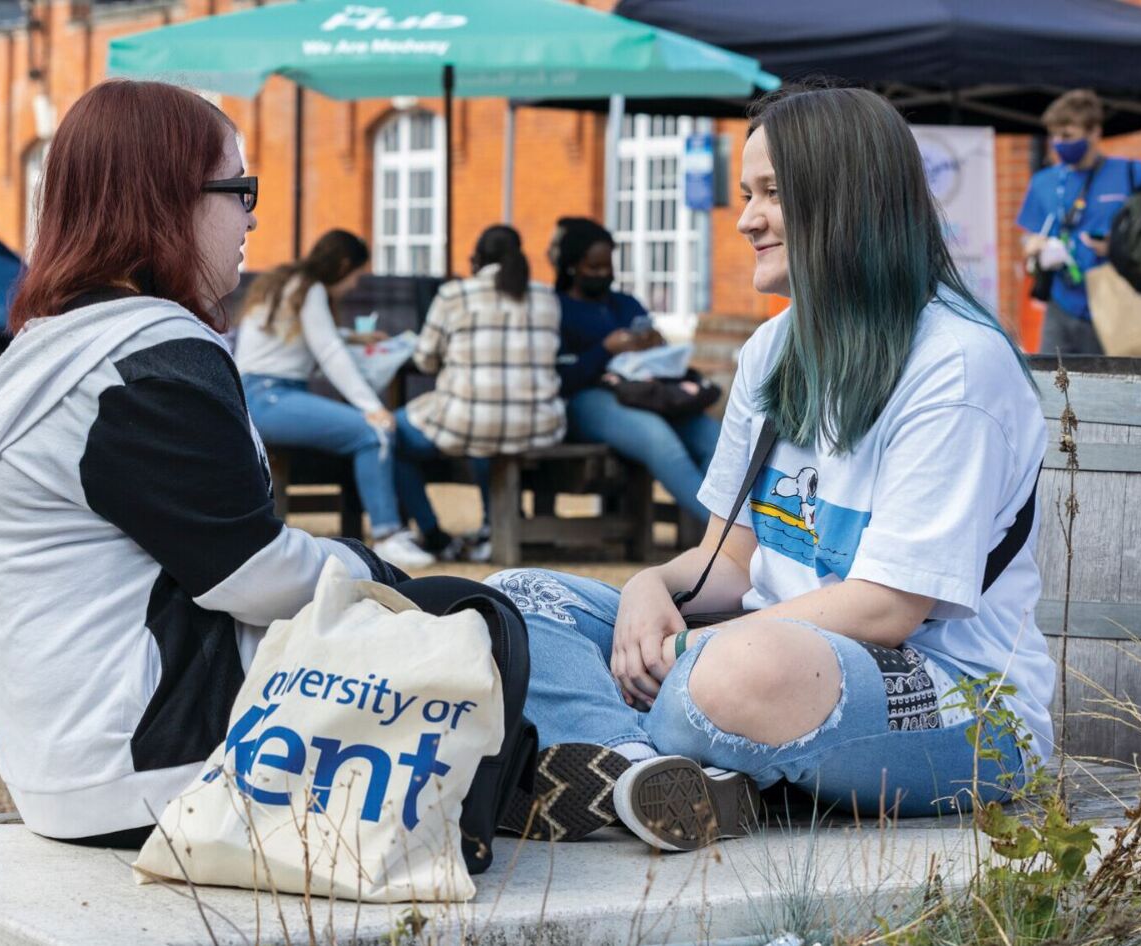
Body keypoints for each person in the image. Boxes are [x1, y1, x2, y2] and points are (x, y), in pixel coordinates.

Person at [487, 87, 1054, 854]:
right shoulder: (773, 351)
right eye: (746, 194)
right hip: (760, 655)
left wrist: (695, 651)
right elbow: (732, 558)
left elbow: (888, 610)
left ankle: (609, 747)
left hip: (957, 705)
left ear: (849, 199)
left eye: (773, 195)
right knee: (510, 603)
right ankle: (644, 776)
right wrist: (650, 591)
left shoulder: (955, 366)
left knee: (730, 676)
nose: (747, 218)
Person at [0, 80, 427, 848]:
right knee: (483, 615)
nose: (251, 214)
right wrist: (378, 574)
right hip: (157, 772)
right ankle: (597, 773)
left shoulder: (55, 344)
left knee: (465, 615)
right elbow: (251, 575)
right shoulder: (149, 359)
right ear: (167, 198)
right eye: (238, 188)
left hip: (68, 771)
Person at [235, 230, 432, 569]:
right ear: (342, 265)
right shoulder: (308, 288)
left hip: (258, 396)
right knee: (375, 433)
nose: (355, 285)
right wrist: (372, 408)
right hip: (272, 396)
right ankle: (387, 535)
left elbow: (312, 335)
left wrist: (354, 336)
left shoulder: (286, 282)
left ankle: (388, 533)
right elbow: (329, 352)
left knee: (368, 433)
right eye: (356, 275)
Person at [393, 224, 566, 562]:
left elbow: (425, 360)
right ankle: (490, 527)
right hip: (539, 425)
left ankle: (433, 534)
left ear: (476, 260)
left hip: (469, 420)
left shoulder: (454, 295)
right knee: (491, 429)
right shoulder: (546, 296)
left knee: (391, 435)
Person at [553, 218, 720, 528]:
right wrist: (606, 349)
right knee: (661, 441)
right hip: (587, 399)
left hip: (648, 392)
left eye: (608, 266)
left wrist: (654, 343)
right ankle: (723, 536)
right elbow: (561, 379)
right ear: (572, 266)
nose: (604, 274)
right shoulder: (558, 308)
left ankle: (727, 526)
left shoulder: (626, 303)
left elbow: (659, 351)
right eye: (594, 267)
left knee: (715, 439)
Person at [1017, 88, 1141, 356]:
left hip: (1117, 301)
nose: (1058, 143)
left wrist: (1118, 246)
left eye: (1067, 135)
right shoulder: (1044, 182)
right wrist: (1034, 245)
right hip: (1061, 302)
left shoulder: (1131, 173)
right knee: (1054, 386)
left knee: (1113, 388)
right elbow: (1027, 235)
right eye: (1054, 135)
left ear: (1094, 133)